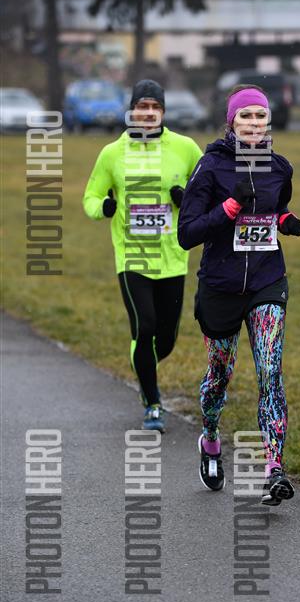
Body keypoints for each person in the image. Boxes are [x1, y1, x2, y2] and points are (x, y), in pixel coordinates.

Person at [178, 84, 300, 505]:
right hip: (221, 285)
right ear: (231, 121)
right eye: (245, 115)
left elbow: (272, 209)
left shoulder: (280, 168)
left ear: (269, 120)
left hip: (268, 281)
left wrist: (284, 220)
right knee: (220, 375)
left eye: (260, 115)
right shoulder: (210, 166)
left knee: (270, 371)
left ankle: (274, 469)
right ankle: (210, 436)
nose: (253, 123)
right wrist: (229, 208)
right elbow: (187, 233)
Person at [83, 79, 202, 432]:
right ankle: (152, 404)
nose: (148, 113)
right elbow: (90, 197)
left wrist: (187, 198)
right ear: (131, 110)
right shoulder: (112, 153)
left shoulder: (185, 148)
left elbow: (207, 190)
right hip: (132, 256)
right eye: (141, 106)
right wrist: (104, 207)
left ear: (163, 112)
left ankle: (142, 363)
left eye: (154, 107)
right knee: (145, 326)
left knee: (165, 340)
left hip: (173, 257)